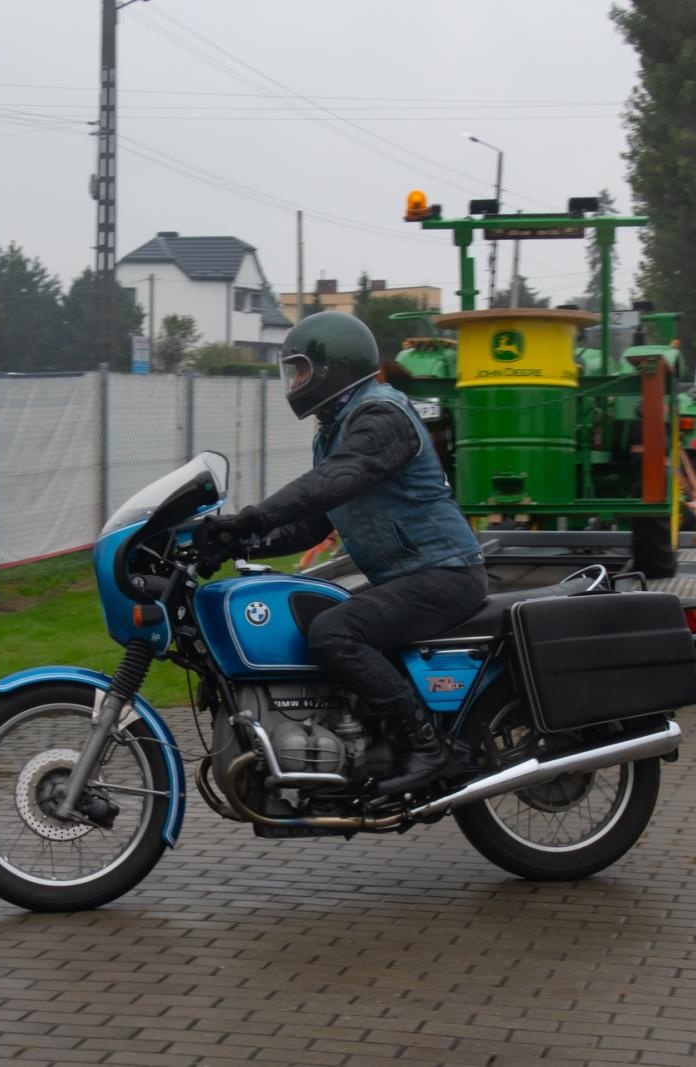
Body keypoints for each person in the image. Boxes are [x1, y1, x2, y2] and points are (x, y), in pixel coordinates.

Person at [198, 312, 486, 796]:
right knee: (318, 618)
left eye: (301, 371)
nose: (295, 383)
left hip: (445, 572)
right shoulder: (334, 430)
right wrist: (238, 542)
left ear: (334, 368)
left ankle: (428, 747)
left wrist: (253, 516)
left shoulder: (382, 415)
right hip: (408, 575)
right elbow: (316, 521)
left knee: (335, 632)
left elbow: (336, 480)